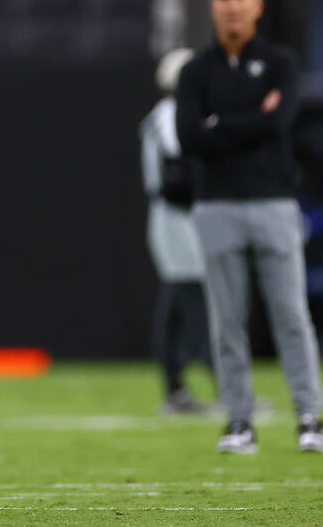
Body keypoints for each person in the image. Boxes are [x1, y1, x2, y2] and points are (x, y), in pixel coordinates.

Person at [176, 0, 323, 454]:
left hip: (273, 204)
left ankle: (309, 416)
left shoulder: (280, 61)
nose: (232, 4)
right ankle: (239, 421)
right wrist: (249, 120)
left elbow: (278, 123)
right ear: (212, 6)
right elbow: (190, 137)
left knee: (290, 315)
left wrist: (221, 125)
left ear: (257, 5)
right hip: (217, 206)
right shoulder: (196, 70)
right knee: (228, 321)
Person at [140, 48, 214, 414]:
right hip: (178, 216)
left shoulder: (167, 114)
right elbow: (177, 169)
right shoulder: (172, 115)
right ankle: (228, 389)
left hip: (175, 215)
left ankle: (175, 389)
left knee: (176, 304)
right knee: (195, 301)